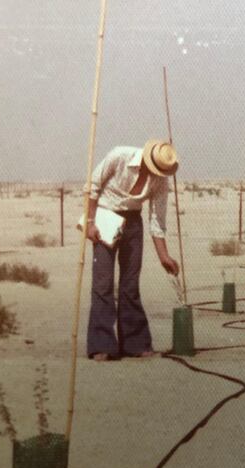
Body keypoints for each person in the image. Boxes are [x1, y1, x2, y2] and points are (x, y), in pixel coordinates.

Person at [84, 140, 180, 361]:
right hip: (106, 217)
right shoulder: (119, 155)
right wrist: (90, 222)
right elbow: (93, 186)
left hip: (133, 223)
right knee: (103, 283)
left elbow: (157, 220)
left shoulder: (161, 181)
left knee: (130, 284)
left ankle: (136, 344)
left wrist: (164, 256)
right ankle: (102, 345)